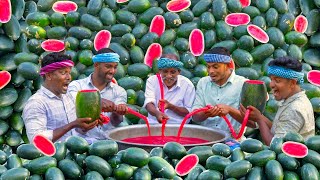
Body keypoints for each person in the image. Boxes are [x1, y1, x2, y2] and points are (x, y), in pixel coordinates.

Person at [22, 52, 99, 143]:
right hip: (55, 155)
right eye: (63, 73)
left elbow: (76, 131)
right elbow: (36, 139)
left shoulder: (69, 96)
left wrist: (86, 126)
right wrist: (72, 125)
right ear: (49, 75)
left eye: (69, 73)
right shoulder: (36, 103)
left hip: (77, 149)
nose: (69, 77)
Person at [240, 56, 315, 145]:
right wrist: (259, 117)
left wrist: (259, 120)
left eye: (277, 80)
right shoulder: (295, 99)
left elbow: (275, 145)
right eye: (271, 79)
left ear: (292, 83)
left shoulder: (294, 110)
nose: (271, 84)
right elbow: (278, 129)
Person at [191, 47, 257, 139]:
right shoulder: (203, 82)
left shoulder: (244, 84)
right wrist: (206, 113)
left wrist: (230, 110)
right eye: (208, 67)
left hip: (233, 140)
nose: (210, 71)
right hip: (205, 139)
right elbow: (195, 117)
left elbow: (253, 123)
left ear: (228, 65)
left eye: (215, 67)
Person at [68, 48, 127, 143]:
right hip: (81, 142)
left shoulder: (120, 91)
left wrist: (117, 112)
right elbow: (71, 105)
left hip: (108, 144)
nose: (112, 71)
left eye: (115, 67)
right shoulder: (76, 86)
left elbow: (116, 122)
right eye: (108, 66)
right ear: (96, 65)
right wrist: (97, 102)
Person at [144, 54, 196, 124]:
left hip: (179, 127)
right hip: (155, 125)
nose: (168, 76)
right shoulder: (152, 81)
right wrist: (157, 113)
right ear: (160, 71)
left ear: (179, 72)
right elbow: (148, 104)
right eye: (165, 71)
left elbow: (189, 112)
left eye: (173, 72)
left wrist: (171, 107)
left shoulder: (187, 85)